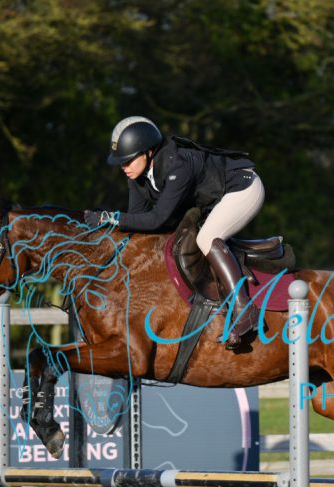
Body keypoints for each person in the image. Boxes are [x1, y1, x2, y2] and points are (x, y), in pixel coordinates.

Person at [85, 116, 265, 347]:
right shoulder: (136, 177)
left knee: (207, 238)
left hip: (243, 188)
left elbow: (157, 219)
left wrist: (110, 218)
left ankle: (245, 309)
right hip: (215, 199)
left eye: (128, 160)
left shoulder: (179, 164)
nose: (124, 167)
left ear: (149, 152)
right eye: (121, 162)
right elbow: (137, 221)